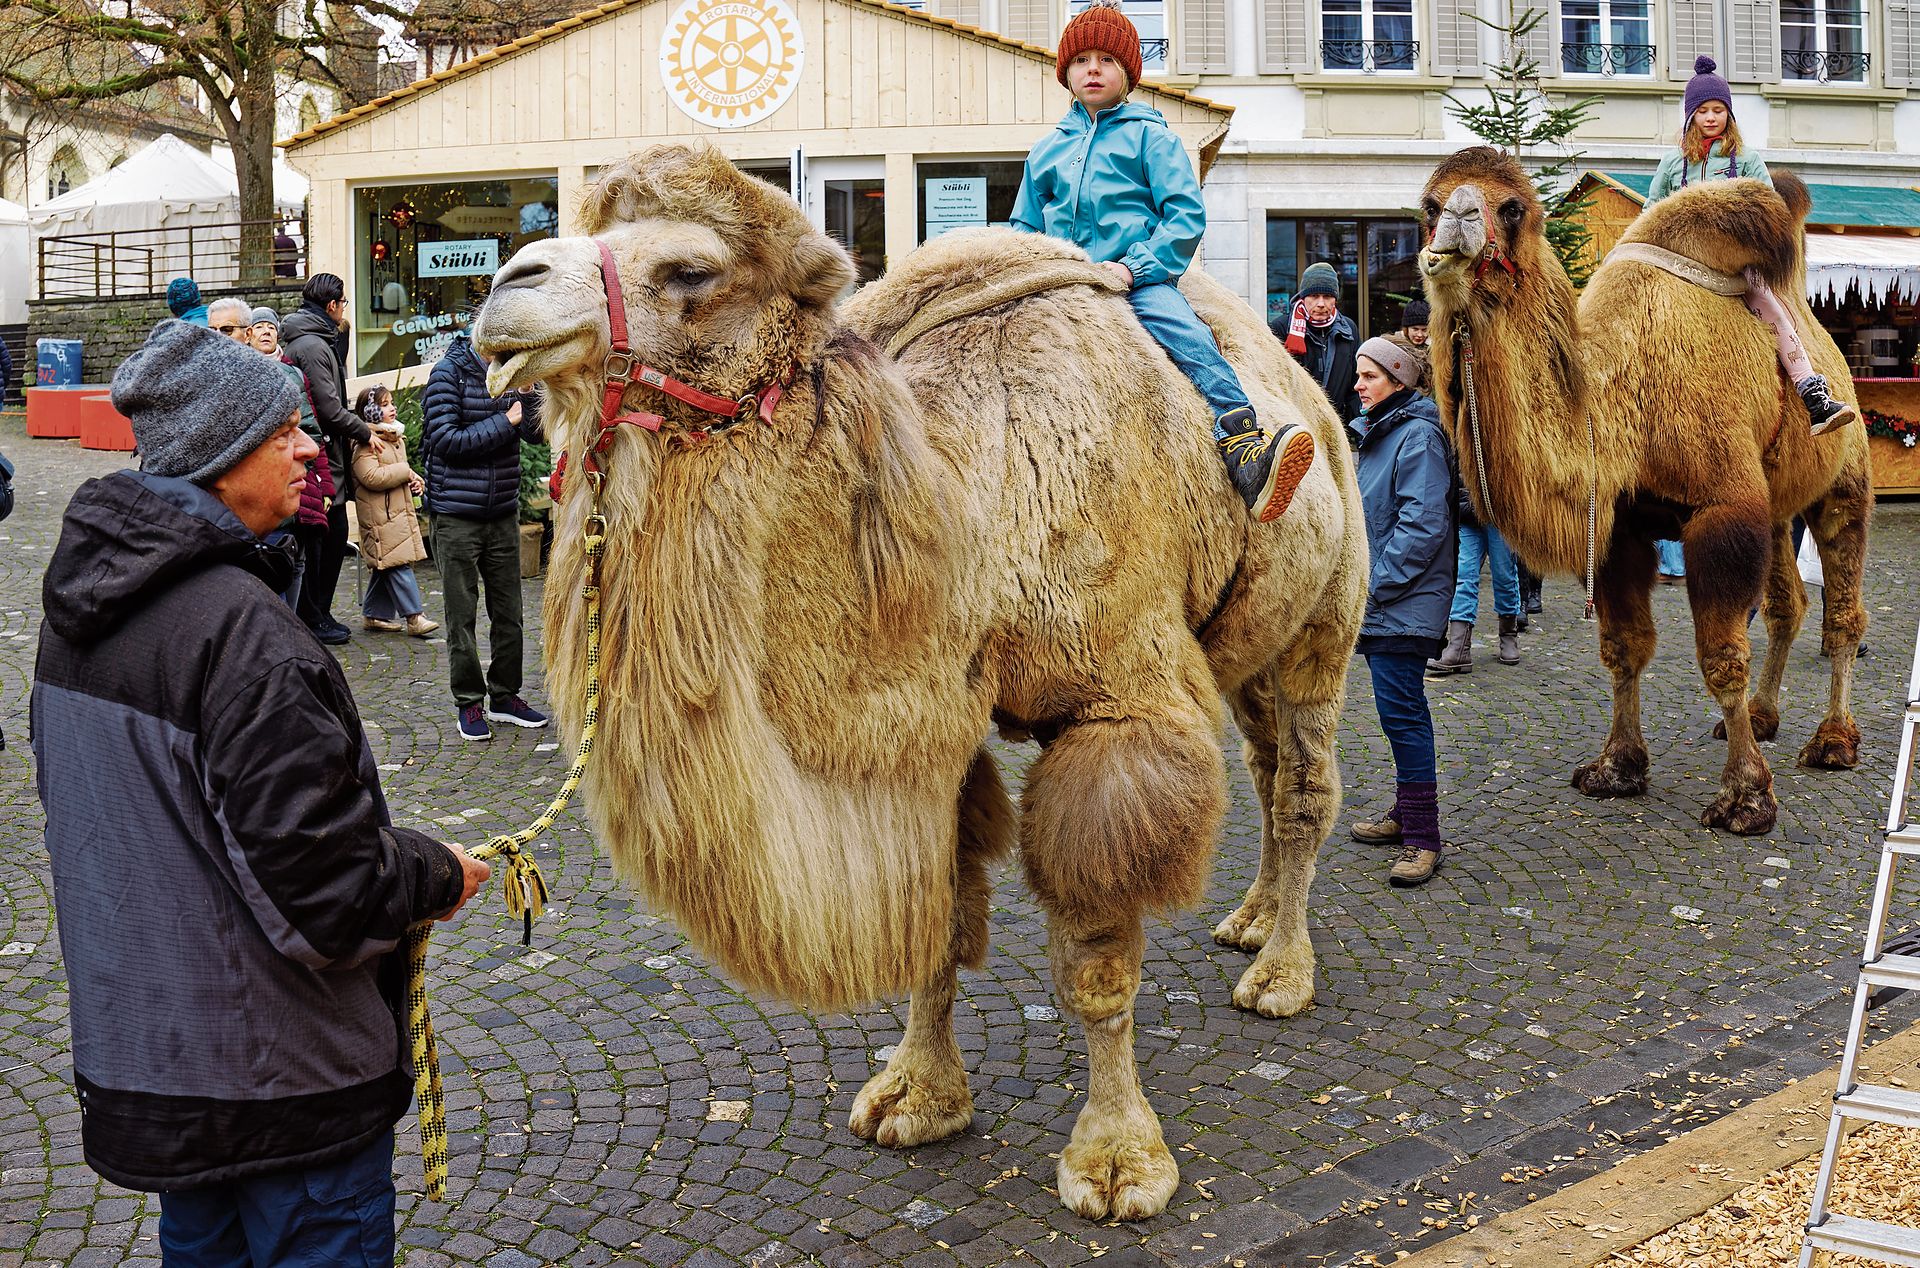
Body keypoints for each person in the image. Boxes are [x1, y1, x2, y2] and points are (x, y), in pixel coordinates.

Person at [32, 318, 490, 1265]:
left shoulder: (78, 615)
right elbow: (331, 898)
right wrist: (435, 872)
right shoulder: (243, 635)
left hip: (164, 1069)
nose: (309, 449)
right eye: (282, 432)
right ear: (219, 451)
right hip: (286, 1092)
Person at [1009, 0, 1315, 524]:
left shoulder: (1151, 136)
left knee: (1183, 331)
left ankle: (1242, 438)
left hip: (1136, 279)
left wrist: (1133, 268)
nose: (1093, 69)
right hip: (1061, 282)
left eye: (1107, 59)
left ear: (1127, 72)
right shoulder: (1045, 151)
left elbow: (1184, 216)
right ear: (1067, 73)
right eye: (1082, 60)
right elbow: (1023, 228)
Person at [1647, 57, 1856, 437]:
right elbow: (1650, 213)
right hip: (1681, 265)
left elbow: (1771, 210)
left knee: (1771, 307)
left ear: (1729, 114)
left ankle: (1812, 393)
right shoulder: (1672, 163)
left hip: (1735, 266)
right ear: (1690, 116)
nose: (1711, 117)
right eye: (1703, 111)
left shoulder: (1746, 160)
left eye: (1718, 110)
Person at [1345, 336, 1455, 886]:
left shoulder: (1417, 437)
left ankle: (1423, 838)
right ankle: (1405, 813)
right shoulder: (1381, 433)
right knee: (1396, 714)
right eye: (1359, 376)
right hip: (1391, 599)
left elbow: (1422, 525)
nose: (1357, 385)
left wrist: (1373, 585)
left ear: (1397, 381)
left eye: (1368, 376)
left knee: (1404, 714)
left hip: (1404, 601)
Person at [423, 329, 549, 741]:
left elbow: (534, 433)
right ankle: (469, 703)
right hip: (456, 515)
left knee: (510, 614)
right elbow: (445, 441)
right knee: (461, 617)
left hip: (501, 513)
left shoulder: (511, 376)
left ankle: (505, 697)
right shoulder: (449, 374)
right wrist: (504, 420)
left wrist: (529, 395)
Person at [281, 273, 374, 643]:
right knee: (327, 534)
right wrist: (367, 432)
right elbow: (329, 409)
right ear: (332, 305)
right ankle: (314, 616)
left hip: (323, 449)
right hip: (321, 453)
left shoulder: (314, 339)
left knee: (327, 533)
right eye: (343, 304)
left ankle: (318, 613)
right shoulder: (315, 346)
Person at [352, 384, 438, 637]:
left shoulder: (392, 438)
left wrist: (414, 481)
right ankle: (415, 617)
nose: (393, 407)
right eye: (385, 404)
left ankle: (374, 614)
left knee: (387, 563)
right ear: (371, 412)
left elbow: (397, 472)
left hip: (394, 514)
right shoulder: (366, 443)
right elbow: (370, 476)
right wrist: (404, 473)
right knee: (397, 564)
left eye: (391, 402)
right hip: (380, 517)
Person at [1427, 453, 1524, 674]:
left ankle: (1508, 635)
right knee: (1463, 574)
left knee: (1504, 574)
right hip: (1467, 511)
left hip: (1500, 513)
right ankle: (1459, 647)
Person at [1279, 261, 1363, 423]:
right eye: (1314, 296)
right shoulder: (1282, 328)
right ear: (1303, 297)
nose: (1321, 304)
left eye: (1327, 296)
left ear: (1335, 299)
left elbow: (1355, 384)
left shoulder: (1349, 329)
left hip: (1335, 423)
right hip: (1296, 424)